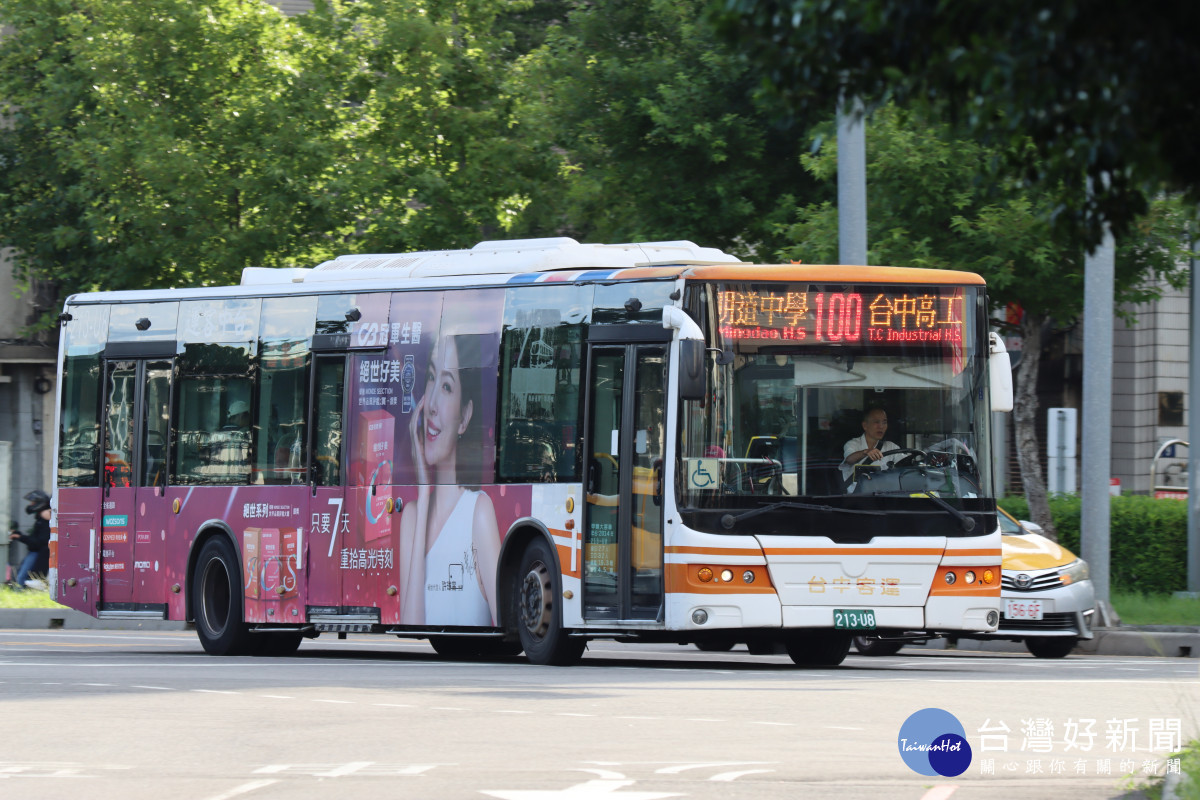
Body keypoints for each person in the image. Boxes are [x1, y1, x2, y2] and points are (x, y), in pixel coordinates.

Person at [399, 332, 501, 625]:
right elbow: (412, 628)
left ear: (465, 417)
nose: (430, 404)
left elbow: (506, 623)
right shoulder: (412, 515)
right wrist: (423, 491)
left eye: (446, 386)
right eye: (431, 378)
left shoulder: (478, 512)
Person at [840, 407, 901, 485]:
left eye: (884, 422)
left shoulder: (891, 447)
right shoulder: (853, 444)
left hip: (885, 494)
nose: (881, 426)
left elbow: (905, 463)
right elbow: (849, 459)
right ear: (865, 425)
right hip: (858, 495)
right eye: (876, 422)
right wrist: (865, 452)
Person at [10, 490, 51, 590]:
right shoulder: (41, 519)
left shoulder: (46, 519)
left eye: (33, 502)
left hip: (38, 553)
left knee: (21, 578)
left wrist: (20, 537)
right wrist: (19, 536)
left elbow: (39, 542)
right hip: (36, 552)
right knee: (20, 577)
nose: (30, 505)